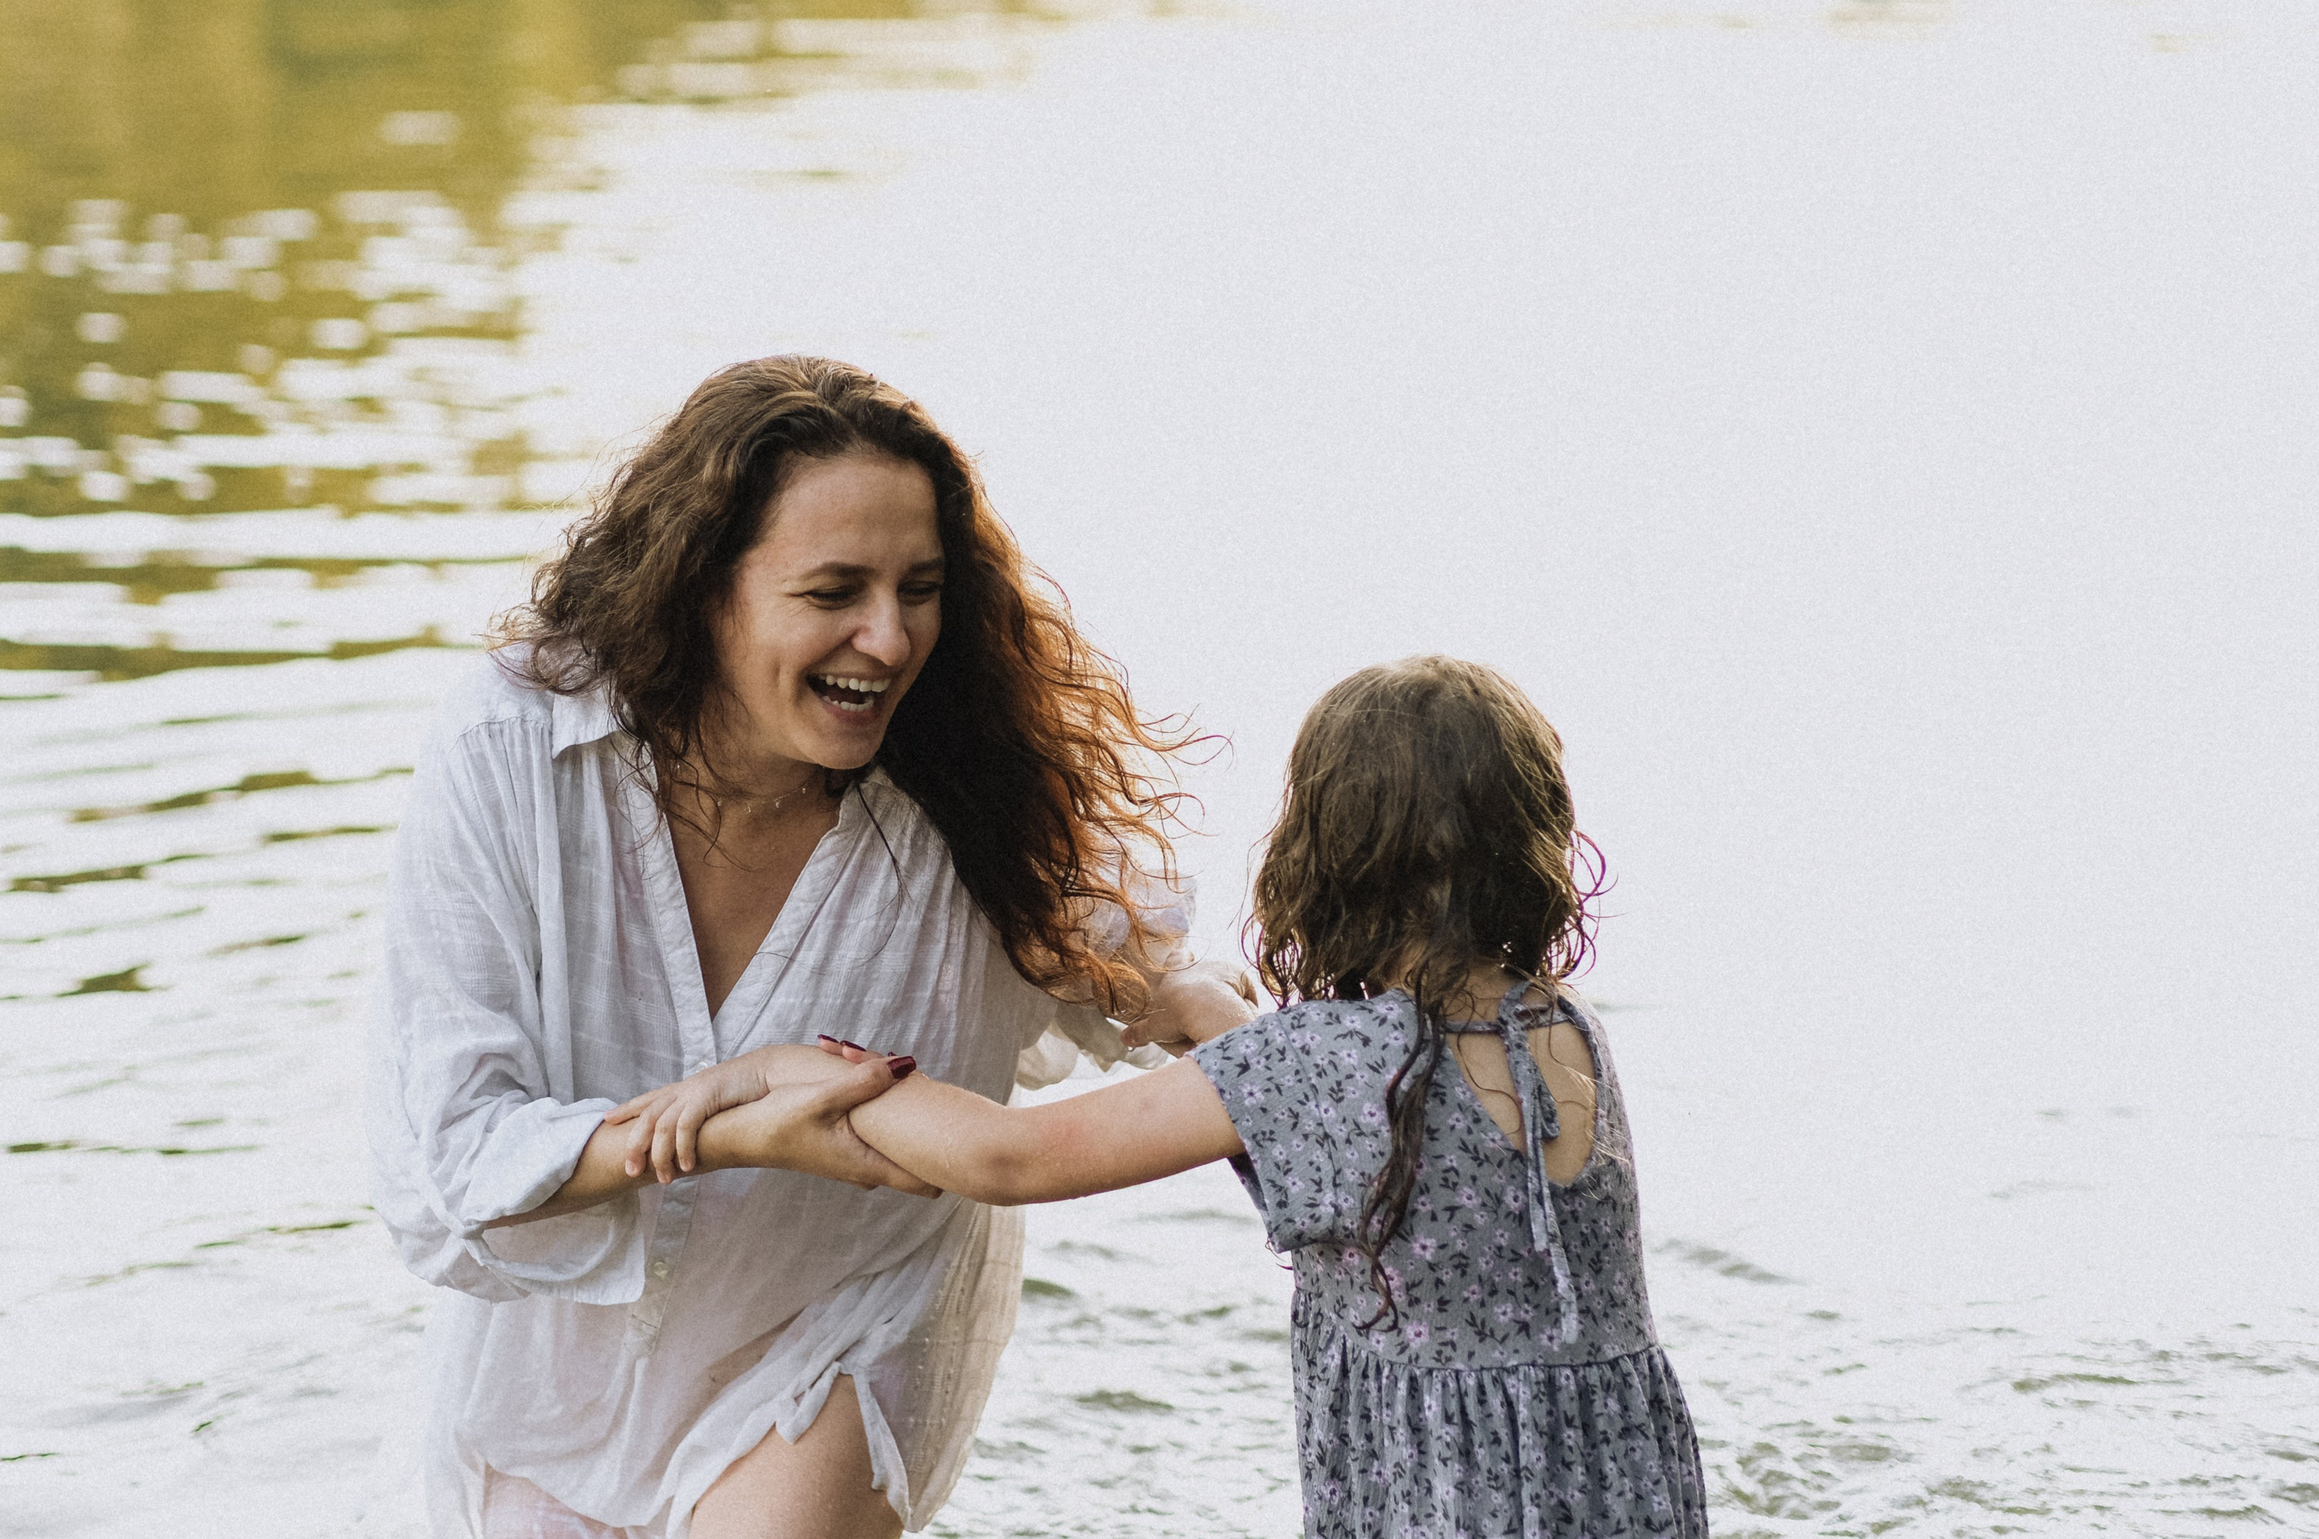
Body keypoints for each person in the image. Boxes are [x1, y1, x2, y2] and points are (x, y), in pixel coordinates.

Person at [368, 356, 1215, 1539]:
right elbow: (449, 1162)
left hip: (841, 1326)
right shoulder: (512, 747)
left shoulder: (980, 789)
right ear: (702, 587)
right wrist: (731, 1129)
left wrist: (1323, 1047)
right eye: (833, 591)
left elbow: (1160, 987)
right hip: (549, 1375)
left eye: (921, 588)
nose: (890, 637)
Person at [621, 656, 1711, 1539]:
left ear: (1325, 857)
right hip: (1620, 1486)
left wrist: (792, 1069)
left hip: (1450, 1503)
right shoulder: (1563, 1031)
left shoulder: (1328, 1062)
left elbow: (1009, 1156)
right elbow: (1349, 1107)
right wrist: (1194, 1004)